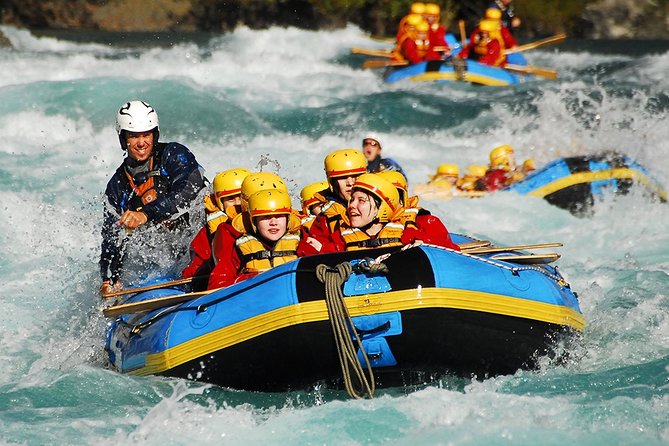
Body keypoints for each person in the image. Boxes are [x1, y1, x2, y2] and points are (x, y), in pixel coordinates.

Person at [100, 100, 205, 296]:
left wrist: (146, 214)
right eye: (134, 136)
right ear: (124, 140)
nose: (141, 143)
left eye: (146, 135)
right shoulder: (117, 186)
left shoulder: (174, 155)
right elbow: (111, 239)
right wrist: (109, 278)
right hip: (165, 259)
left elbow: (189, 190)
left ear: (154, 135)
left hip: (200, 242)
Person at [323, 174, 458, 252]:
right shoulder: (339, 236)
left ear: (381, 208)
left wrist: (424, 248)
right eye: (351, 200)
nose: (351, 205)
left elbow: (447, 255)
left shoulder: (411, 233)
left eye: (361, 201)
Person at [207, 189, 302, 290]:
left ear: (288, 220)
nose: (273, 222)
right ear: (254, 221)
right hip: (257, 299)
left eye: (279, 216)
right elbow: (216, 284)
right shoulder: (239, 247)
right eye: (266, 217)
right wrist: (251, 279)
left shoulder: (301, 242)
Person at [181, 168, 251, 288]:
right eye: (230, 199)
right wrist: (205, 268)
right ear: (220, 203)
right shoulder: (208, 233)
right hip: (224, 281)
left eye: (241, 197)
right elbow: (193, 268)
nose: (237, 203)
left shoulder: (268, 222)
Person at [298, 148, 367, 256]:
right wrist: (324, 248)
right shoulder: (324, 220)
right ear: (332, 182)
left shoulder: (381, 207)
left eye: (355, 176)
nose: (350, 182)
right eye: (343, 177)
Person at [378, 170, 460, 250]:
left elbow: (448, 253)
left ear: (402, 200)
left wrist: (424, 244)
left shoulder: (427, 222)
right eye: (377, 199)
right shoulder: (368, 226)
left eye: (390, 198)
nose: (384, 205)